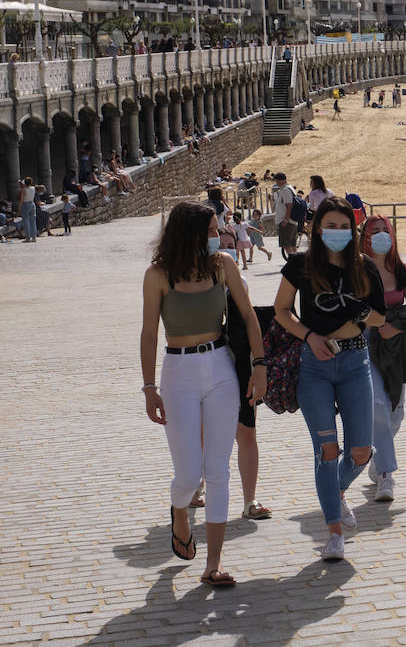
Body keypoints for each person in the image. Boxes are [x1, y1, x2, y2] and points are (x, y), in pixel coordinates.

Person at [140, 202, 267, 587]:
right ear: (189, 234)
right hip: (177, 372)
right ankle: (179, 508)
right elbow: (148, 332)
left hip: (220, 370)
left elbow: (248, 316)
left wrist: (259, 365)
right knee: (188, 472)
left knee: (218, 470)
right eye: (211, 231)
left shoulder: (224, 265)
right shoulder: (157, 274)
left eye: (218, 230)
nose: (218, 236)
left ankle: (212, 564)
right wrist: (149, 388)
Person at [273, 196, 387, 561]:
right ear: (316, 228)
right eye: (330, 226)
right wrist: (309, 335)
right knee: (327, 451)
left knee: (361, 450)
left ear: (352, 230)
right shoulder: (301, 265)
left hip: (355, 361)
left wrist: (355, 318)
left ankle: (335, 493)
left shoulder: (364, 266)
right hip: (314, 366)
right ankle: (334, 533)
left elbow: (381, 318)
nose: (337, 232)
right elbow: (281, 310)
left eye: (343, 226)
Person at [362, 215, 406, 503]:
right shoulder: (357, 270)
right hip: (363, 345)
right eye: (374, 231)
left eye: (385, 230)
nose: (381, 235)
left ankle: (377, 459)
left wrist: (393, 327)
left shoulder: (405, 271)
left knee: (395, 412)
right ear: (365, 237)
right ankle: (386, 475)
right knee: (378, 405)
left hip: (397, 346)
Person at [271, 173, 298, 257]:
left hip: (287, 221)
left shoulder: (286, 190)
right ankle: (297, 263)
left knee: (287, 244)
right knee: (292, 245)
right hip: (291, 221)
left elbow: (289, 205)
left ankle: (293, 262)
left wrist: (286, 219)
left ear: (282, 180)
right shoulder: (289, 188)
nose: (277, 183)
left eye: (277, 181)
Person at [17, 177, 38, 243]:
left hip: (26, 204)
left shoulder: (24, 190)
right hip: (32, 203)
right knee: (33, 221)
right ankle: (34, 237)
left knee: (26, 221)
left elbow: (22, 200)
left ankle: (28, 237)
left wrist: (19, 208)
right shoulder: (33, 188)